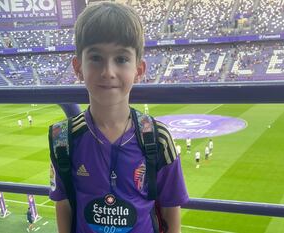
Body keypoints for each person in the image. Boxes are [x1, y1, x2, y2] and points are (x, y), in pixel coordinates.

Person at [49, 2, 188, 233]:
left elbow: (171, 209)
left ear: (139, 69)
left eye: (121, 59)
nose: (108, 72)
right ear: (78, 67)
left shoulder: (158, 138)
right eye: (95, 57)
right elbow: (63, 204)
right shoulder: (62, 139)